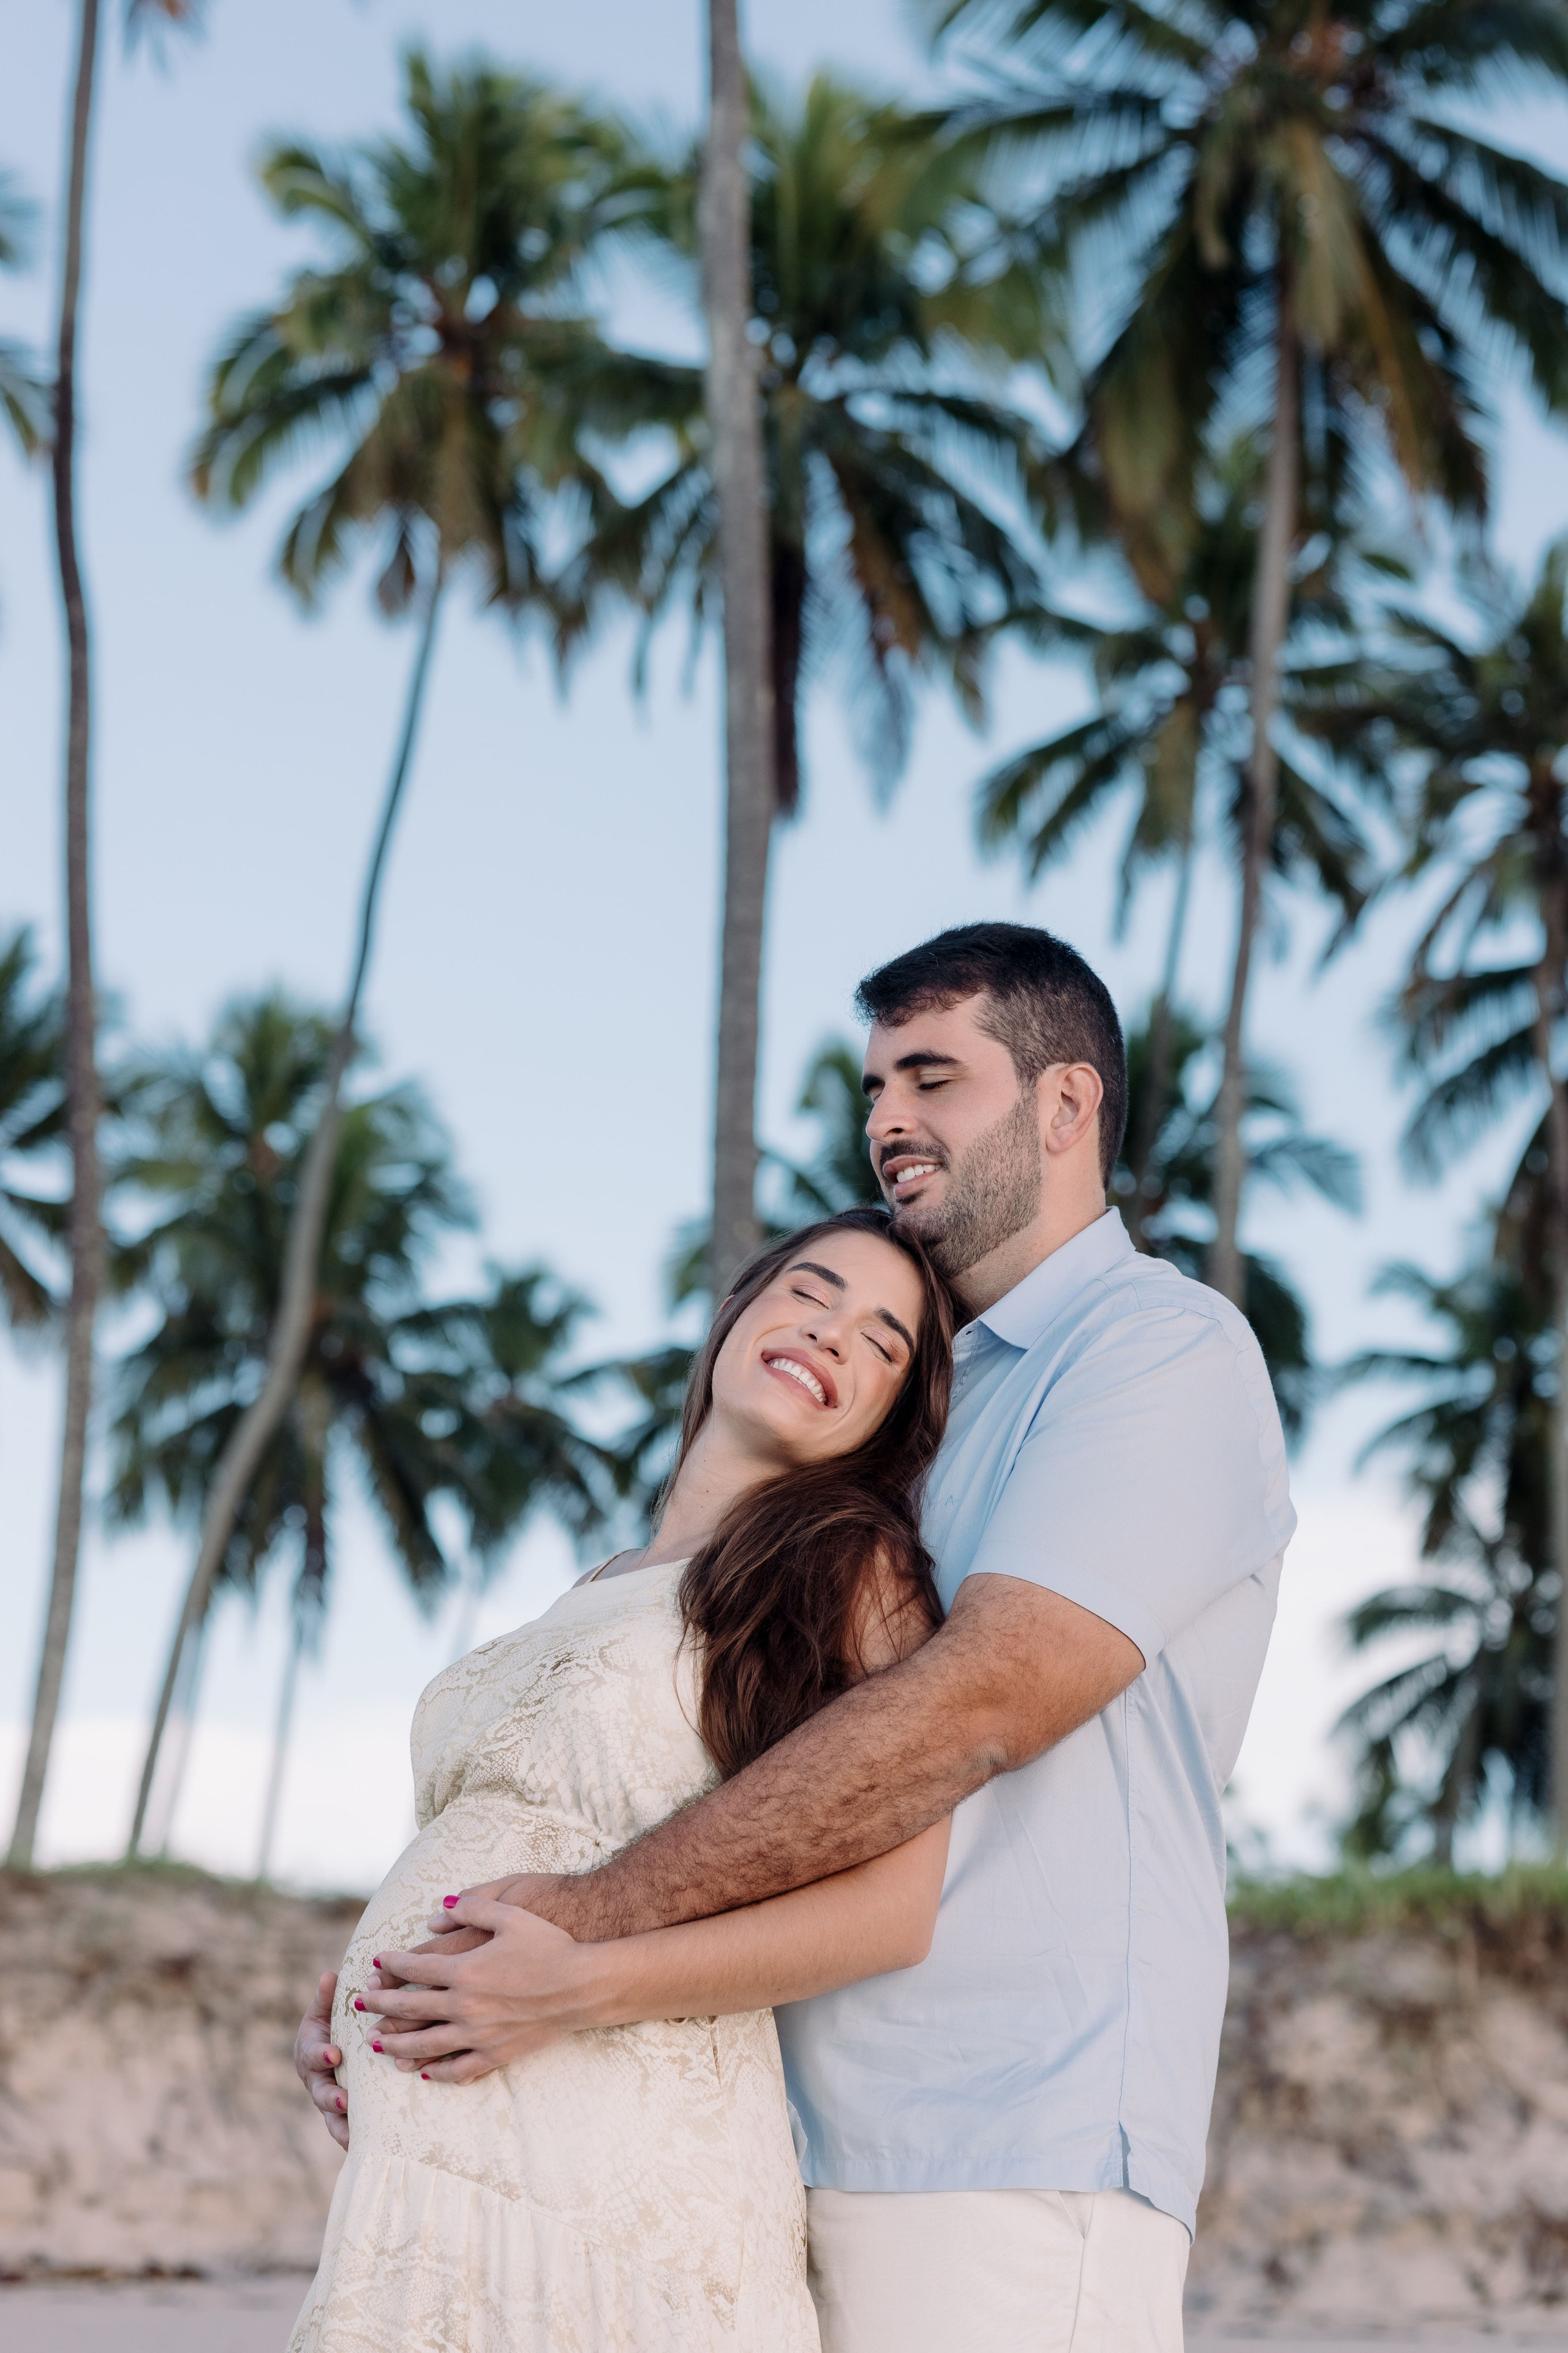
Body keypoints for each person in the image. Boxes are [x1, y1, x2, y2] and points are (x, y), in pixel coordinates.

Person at [301, 921, 1296, 2352]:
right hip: (760, 2120)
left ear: (1064, 1105)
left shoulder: (1153, 1348)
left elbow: (984, 1702)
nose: (886, 1121)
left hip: (1001, 2132)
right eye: (874, 1086)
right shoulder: (892, 1437)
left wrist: (572, 1928)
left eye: (932, 1077)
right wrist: (398, 1974)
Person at [286, 1207, 959, 2353]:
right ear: (740, 1311)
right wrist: (359, 1986)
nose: (835, 1332)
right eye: (811, 1290)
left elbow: (892, 1914)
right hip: (441, 2165)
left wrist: (574, 1987)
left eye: (883, 1343)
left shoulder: (854, 1567)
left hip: (616, 2157)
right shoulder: (598, 1579)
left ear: (887, 1416)